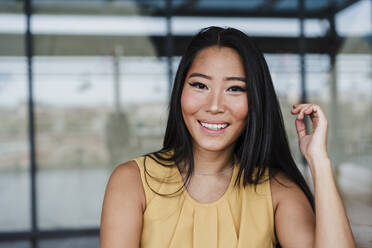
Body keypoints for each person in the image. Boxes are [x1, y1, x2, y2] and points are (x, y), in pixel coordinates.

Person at [100, 26, 355, 248]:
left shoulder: (277, 191)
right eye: (200, 85)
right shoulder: (132, 182)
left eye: (235, 88)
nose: (214, 105)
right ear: (180, 91)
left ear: (255, 100)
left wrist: (319, 162)